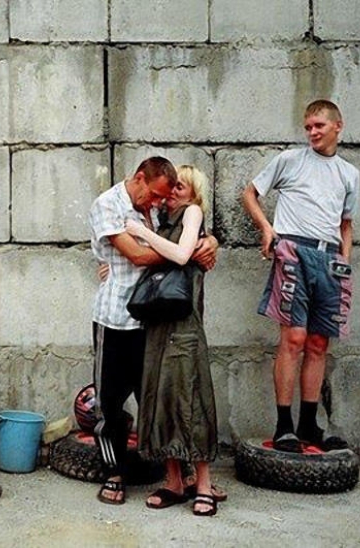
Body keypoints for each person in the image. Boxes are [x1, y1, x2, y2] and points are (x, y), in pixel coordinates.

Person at [88, 157, 218, 505]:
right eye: (157, 195)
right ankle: (113, 472)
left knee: (161, 398)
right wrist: (187, 253)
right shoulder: (108, 205)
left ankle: (179, 475)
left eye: (165, 198)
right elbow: (138, 256)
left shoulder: (158, 205)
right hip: (115, 317)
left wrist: (208, 242)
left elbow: (185, 223)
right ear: (140, 180)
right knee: (111, 403)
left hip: (154, 320)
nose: (161, 203)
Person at [242, 99, 359, 453]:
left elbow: (346, 225)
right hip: (293, 251)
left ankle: (309, 424)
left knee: (319, 343)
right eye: (308, 126)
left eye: (319, 126)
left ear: (337, 126)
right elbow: (249, 193)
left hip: (330, 259)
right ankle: (284, 426)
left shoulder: (349, 173)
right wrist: (266, 229)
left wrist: (345, 262)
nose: (312, 132)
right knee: (293, 338)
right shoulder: (290, 161)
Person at [125, 165, 220, 516]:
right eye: (170, 187)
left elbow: (181, 255)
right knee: (161, 397)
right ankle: (174, 481)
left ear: (193, 192)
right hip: (158, 323)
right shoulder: (161, 218)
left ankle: (205, 485)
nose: (171, 192)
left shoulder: (192, 213)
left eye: (179, 186)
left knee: (191, 399)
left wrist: (141, 233)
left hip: (184, 324)